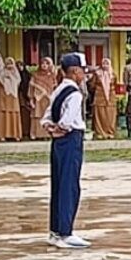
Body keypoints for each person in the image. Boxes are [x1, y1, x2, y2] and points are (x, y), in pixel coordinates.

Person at [42, 52, 90, 249]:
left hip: (58, 142)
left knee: (58, 183)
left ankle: (55, 230)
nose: (84, 74)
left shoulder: (58, 90)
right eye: (83, 70)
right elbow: (68, 120)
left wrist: (51, 129)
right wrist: (61, 128)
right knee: (69, 185)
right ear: (75, 71)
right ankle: (66, 232)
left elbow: (46, 117)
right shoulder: (75, 94)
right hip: (70, 139)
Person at [0, 57, 23, 141]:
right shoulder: (1, 73)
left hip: (13, 97)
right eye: (7, 63)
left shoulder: (16, 74)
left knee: (14, 114)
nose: (9, 65)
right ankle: (2, 134)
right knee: (4, 114)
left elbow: (18, 83)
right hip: (4, 96)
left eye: (11, 63)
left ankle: (15, 134)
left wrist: (11, 78)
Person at [28, 57, 56, 141]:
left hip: (48, 98)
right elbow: (31, 88)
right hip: (38, 99)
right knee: (37, 116)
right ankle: (35, 134)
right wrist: (31, 99)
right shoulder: (35, 75)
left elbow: (55, 87)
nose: (44, 65)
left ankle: (46, 134)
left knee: (47, 116)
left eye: (46, 64)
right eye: (43, 64)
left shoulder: (51, 75)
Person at [91, 58, 118, 139]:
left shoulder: (113, 74)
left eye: (107, 63)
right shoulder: (97, 73)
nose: (105, 65)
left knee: (110, 116)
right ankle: (99, 133)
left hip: (110, 97)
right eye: (104, 63)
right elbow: (92, 85)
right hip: (99, 96)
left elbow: (115, 84)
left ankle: (110, 132)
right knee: (99, 115)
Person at [17, 61, 33, 140]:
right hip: (17, 96)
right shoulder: (15, 75)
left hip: (25, 96)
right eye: (18, 66)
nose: (20, 67)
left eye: (21, 65)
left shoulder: (27, 75)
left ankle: (26, 131)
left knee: (26, 113)